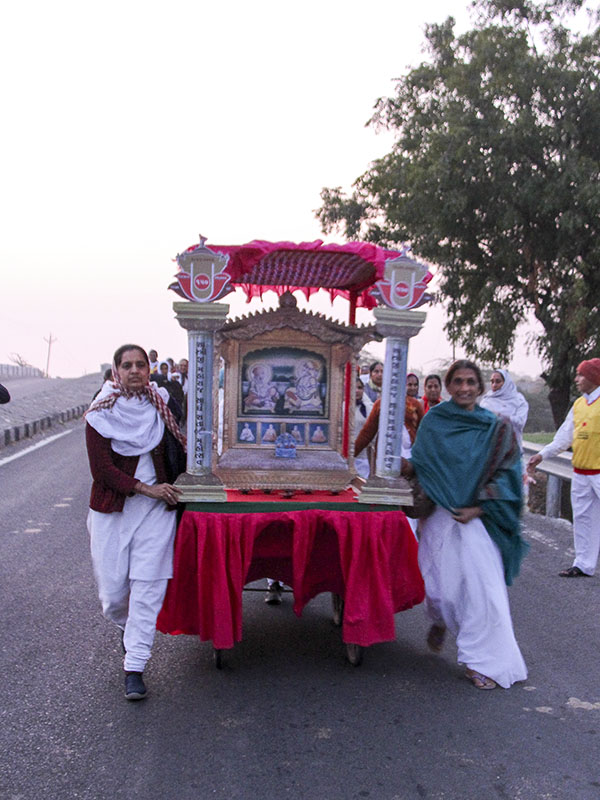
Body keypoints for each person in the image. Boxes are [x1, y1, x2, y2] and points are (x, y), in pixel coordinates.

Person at [406, 359, 528, 690]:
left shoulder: (495, 426)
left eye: (470, 382)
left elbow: (508, 472)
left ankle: (483, 661)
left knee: (482, 591)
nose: (464, 387)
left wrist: (480, 506)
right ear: (448, 386)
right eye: (457, 381)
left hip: (477, 518)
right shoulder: (434, 422)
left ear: (480, 387)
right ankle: (440, 620)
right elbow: (421, 464)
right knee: (441, 592)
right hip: (439, 515)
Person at [85, 344, 186, 701]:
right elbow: (102, 471)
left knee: (148, 587)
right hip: (114, 510)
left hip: (157, 511)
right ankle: (130, 635)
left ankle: (136, 665)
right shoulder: (100, 411)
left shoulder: (162, 404)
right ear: (116, 370)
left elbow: (185, 446)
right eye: (126, 365)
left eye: (140, 365)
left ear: (149, 368)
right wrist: (146, 488)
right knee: (114, 596)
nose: (134, 371)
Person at [527, 358, 600, 577]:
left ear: (594, 377)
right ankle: (584, 564)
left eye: (581, 375)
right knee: (583, 519)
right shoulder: (578, 405)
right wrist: (542, 454)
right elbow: (564, 437)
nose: (576, 379)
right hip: (580, 472)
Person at [480, 369, 529, 449]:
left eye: (498, 381)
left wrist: (501, 417)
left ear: (506, 383)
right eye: (492, 382)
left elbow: (520, 422)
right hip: (488, 448)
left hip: (512, 448)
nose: (494, 385)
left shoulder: (519, 401)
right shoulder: (486, 400)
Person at [354, 377, 373, 480]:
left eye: (360, 387)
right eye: (354, 387)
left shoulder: (369, 408)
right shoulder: (340, 408)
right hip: (345, 458)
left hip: (363, 458)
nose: (357, 390)